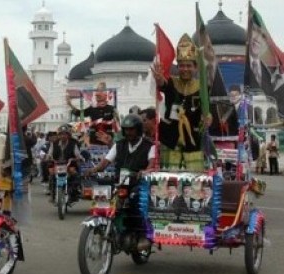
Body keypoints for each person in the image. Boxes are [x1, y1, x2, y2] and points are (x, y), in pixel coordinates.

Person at [86, 114, 155, 250]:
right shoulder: (119, 145)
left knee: (136, 198)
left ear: (139, 129)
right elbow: (105, 162)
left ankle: (142, 234)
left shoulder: (149, 146)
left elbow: (152, 164)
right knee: (103, 195)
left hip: (138, 184)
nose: (128, 132)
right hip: (120, 182)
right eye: (126, 129)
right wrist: (92, 170)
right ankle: (108, 226)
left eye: (132, 129)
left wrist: (145, 171)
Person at [152, 34, 206, 171]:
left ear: (195, 67)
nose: (185, 69)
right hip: (170, 139)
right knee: (169, 180)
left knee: (196, 180)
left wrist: (208, 117)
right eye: (182, 65)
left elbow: (207, 111)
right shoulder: (172, 82)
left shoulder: (203, 88)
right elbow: (162, 84)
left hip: (193, 140)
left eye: (188, 65)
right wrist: (158, 78)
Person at [47, 124, 81, 200]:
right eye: (61, 134)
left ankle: (75, 191)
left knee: (73, 172)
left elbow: (78, 155)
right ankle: (52, 191)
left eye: (65, 134)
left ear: (68, 135)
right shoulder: (54, 143)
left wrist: (76, 158)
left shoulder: (73, 144)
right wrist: (48, 157)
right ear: (58, 135)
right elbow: (49, 154)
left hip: (69, 164)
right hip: (56, 164)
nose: (63, 136)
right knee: (51, 172)